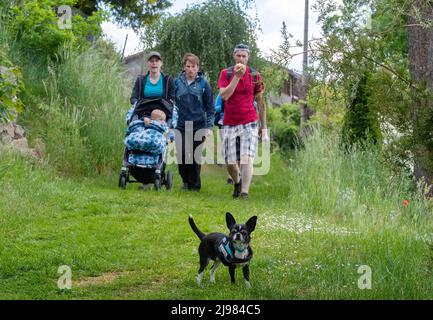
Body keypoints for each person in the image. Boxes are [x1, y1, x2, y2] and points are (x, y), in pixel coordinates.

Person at [217, 43, 268, 199]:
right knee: (229, 161)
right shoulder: (226, 74)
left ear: (248, 58)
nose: (241, 59)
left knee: (247, 157)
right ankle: (237, 181)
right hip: (230, 121)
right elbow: (225, 95)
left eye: (244, 56)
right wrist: (237, 78)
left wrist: (264, 128)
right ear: (234, 56)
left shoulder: (255, 76)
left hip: (249, 121)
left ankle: (244, 192)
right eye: (238, 56)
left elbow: (260, 102)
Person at [174, 53, 214, 191]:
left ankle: (195, 185)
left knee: (195, 155)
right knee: (182, 154)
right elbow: (171, 103)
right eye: (188, 66)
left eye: (193, 66)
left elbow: (210, 108)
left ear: (198, 68)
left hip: (198, 125)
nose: (190, 69)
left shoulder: (204, 84)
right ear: (184, 67)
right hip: (181, 124)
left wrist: (209, 126)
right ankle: (185, 181)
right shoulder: (177, 82)